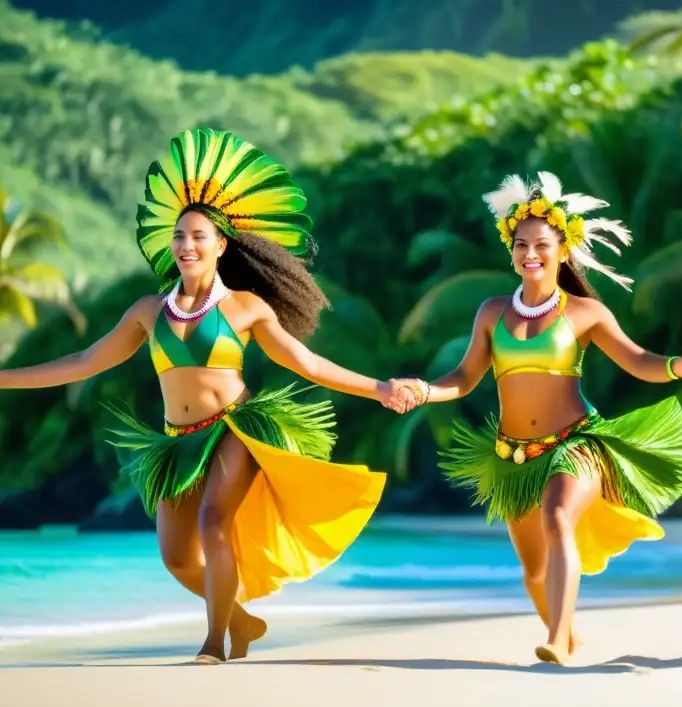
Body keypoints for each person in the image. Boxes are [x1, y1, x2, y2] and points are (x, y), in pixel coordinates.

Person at [0, 128, 416, 664]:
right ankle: (240, 621)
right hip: (177, 443)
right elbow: (84, 363)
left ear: (221, 245)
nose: (186, 245)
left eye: (198, 236)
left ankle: (213, 643)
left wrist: (380, 388)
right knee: (177, 559)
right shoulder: (148, 313)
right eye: (179, 236)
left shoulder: (244, 308)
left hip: (235, 428)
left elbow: (307, 364)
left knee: (215, 523)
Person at [394, 172, 682, 665]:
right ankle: (566, 633)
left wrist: (677, 367)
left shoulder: (586, 313)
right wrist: (426, 390)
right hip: (514, 454)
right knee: (534, 571)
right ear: (511, 249)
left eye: (542, 244)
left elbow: (637, 360)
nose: (530, 253)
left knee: (558, 517)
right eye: (521, 244)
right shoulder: (491, 312)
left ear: (564, 250)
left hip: (576, 443)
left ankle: (557, 638)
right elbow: (465, 377)